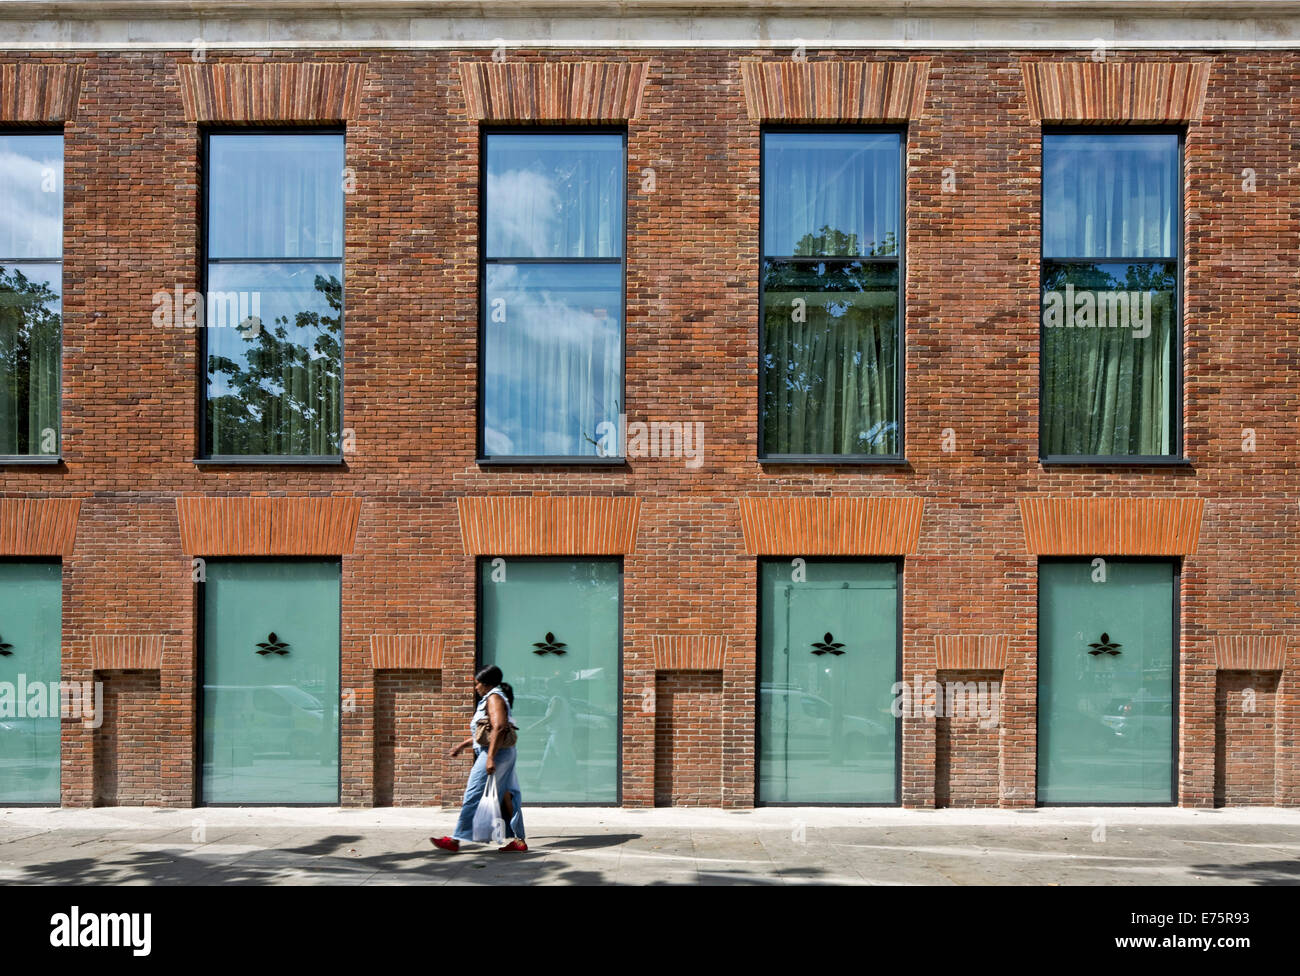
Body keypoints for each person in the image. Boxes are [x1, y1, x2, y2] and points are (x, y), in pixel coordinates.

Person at [431, 666, 527, 853]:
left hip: (495, 754)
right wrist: (461, 746)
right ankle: (519, 840)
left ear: (486, 683)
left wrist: (490, 757)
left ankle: (455, 840)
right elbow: (485, 732)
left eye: (477, 684)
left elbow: (498, 727)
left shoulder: (493, 697)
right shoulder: (495, 697)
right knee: (508, 795)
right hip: (503, 753)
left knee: (473, 794)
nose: (475, 688)